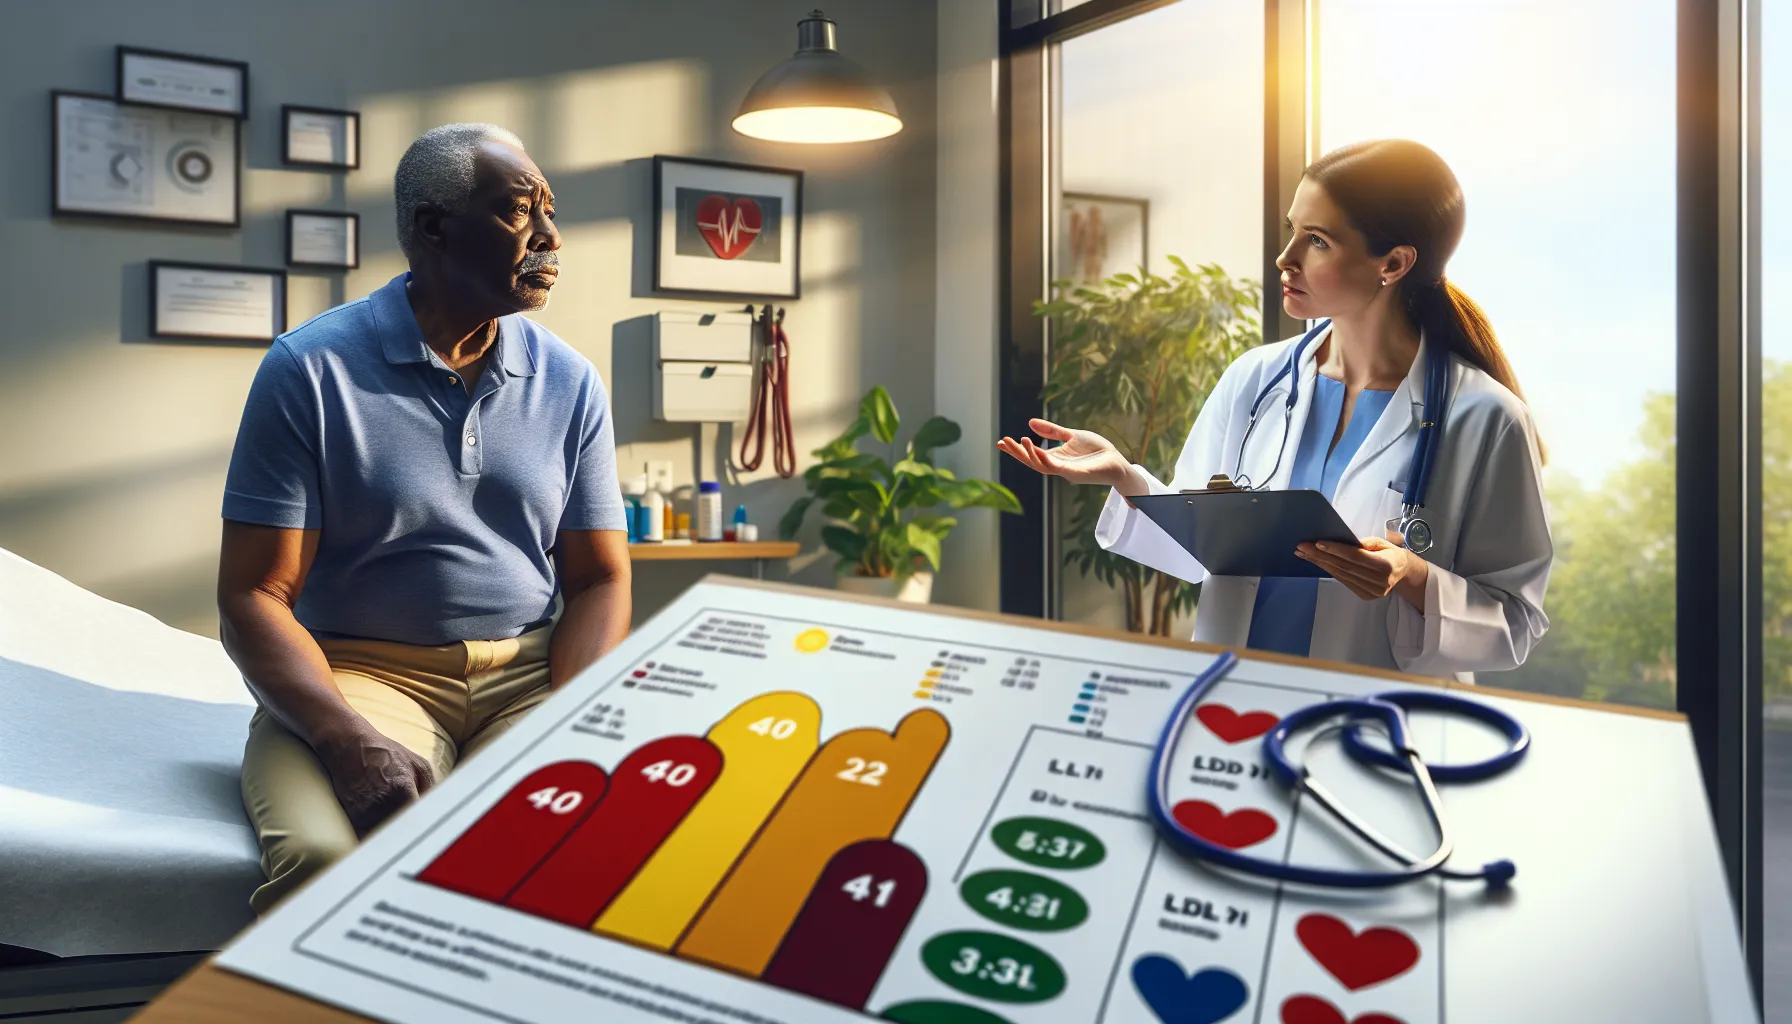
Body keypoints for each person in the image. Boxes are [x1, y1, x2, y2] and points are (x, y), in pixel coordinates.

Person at [217, 124, 632, 912]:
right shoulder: (309, 369)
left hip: (529, 677)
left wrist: (575, 719)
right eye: (519, 211)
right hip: (368, 675)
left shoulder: (570, 381)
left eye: (550, 209)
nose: (550, 236)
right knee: (326, 866)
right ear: (435, 227)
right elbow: (253, 596)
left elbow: (600, 576)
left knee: (580, 854)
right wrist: (341, 736)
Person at [998, 139, 1550, 680]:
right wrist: (1126, 477)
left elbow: (1516, 621)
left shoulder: (1485, 418)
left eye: (1318, 241)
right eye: (1293, 231)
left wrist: (1410, 574)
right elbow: (1201, 547)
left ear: (1395, 262)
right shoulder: (1256, 379)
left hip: (1375, 717)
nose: (1285, 259)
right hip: (1234, 694)